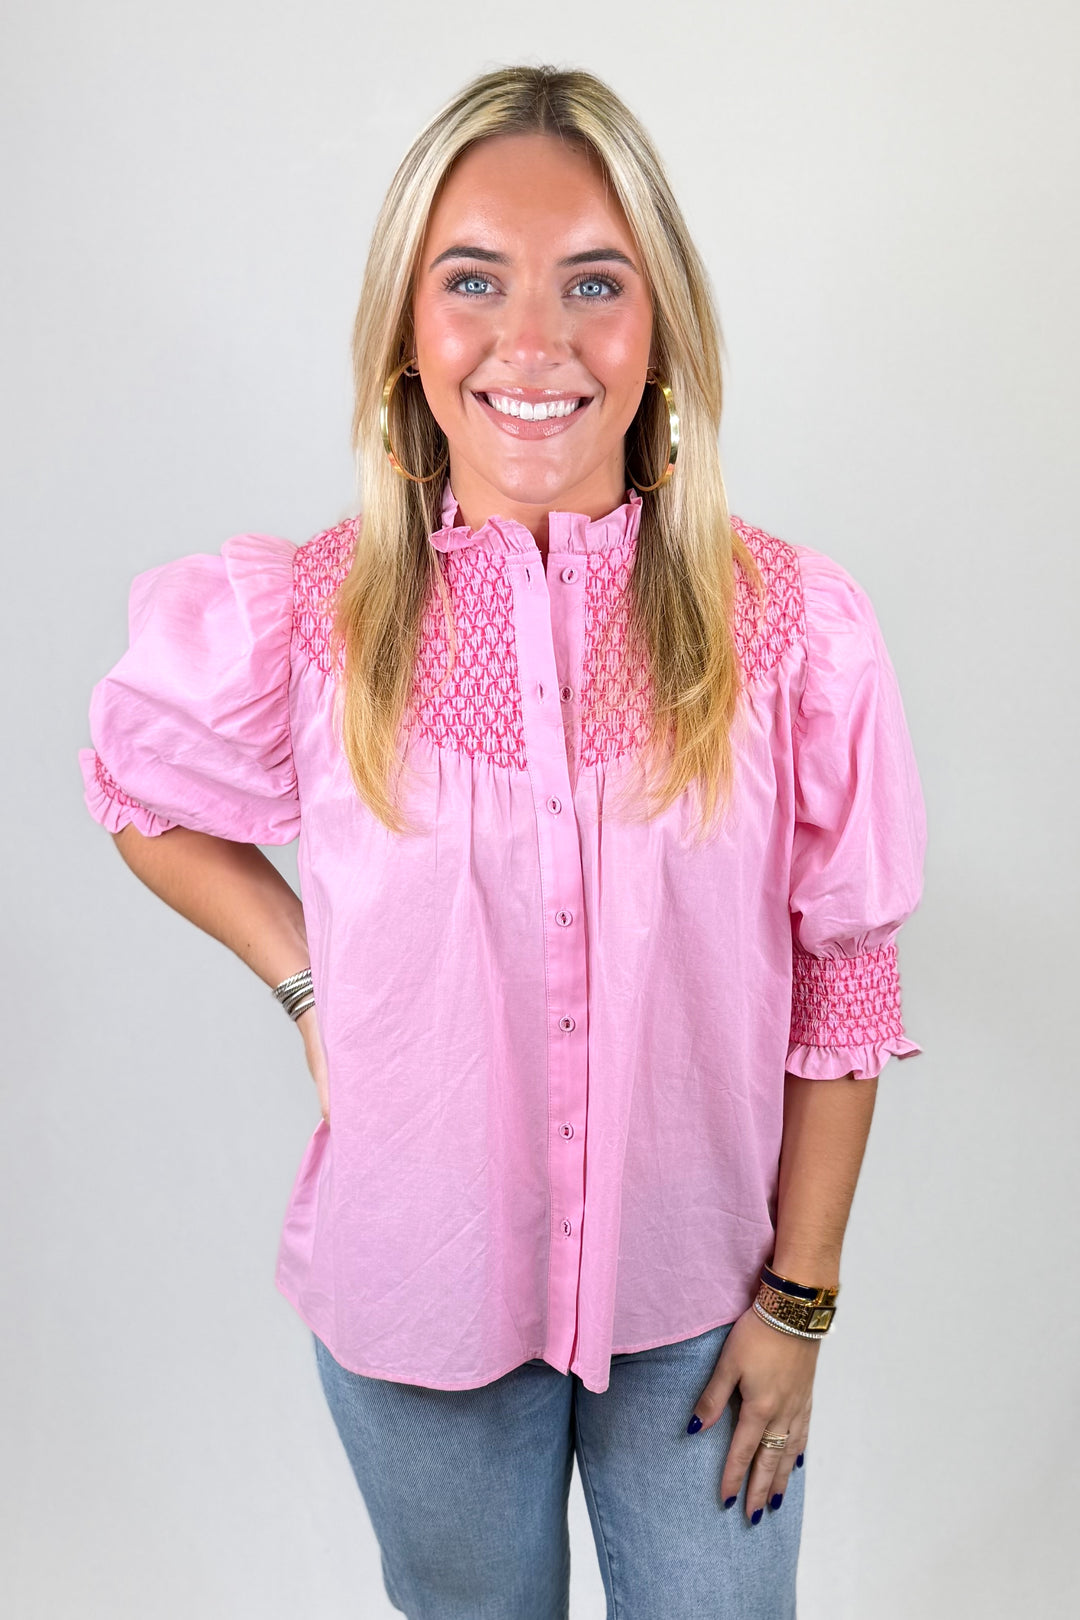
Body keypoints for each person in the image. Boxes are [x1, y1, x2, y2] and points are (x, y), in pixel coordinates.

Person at [78, 63, 926, 1620]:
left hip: (703, 1307)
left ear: (659, 320)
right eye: (474, 279)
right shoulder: (309, 624)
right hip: (419, 1309)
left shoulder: (788, 630)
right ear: (409, 327)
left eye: (593, 281)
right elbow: (136, 792)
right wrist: (307, 987)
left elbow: (845, 981)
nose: (533, 341)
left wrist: (797, 1307)